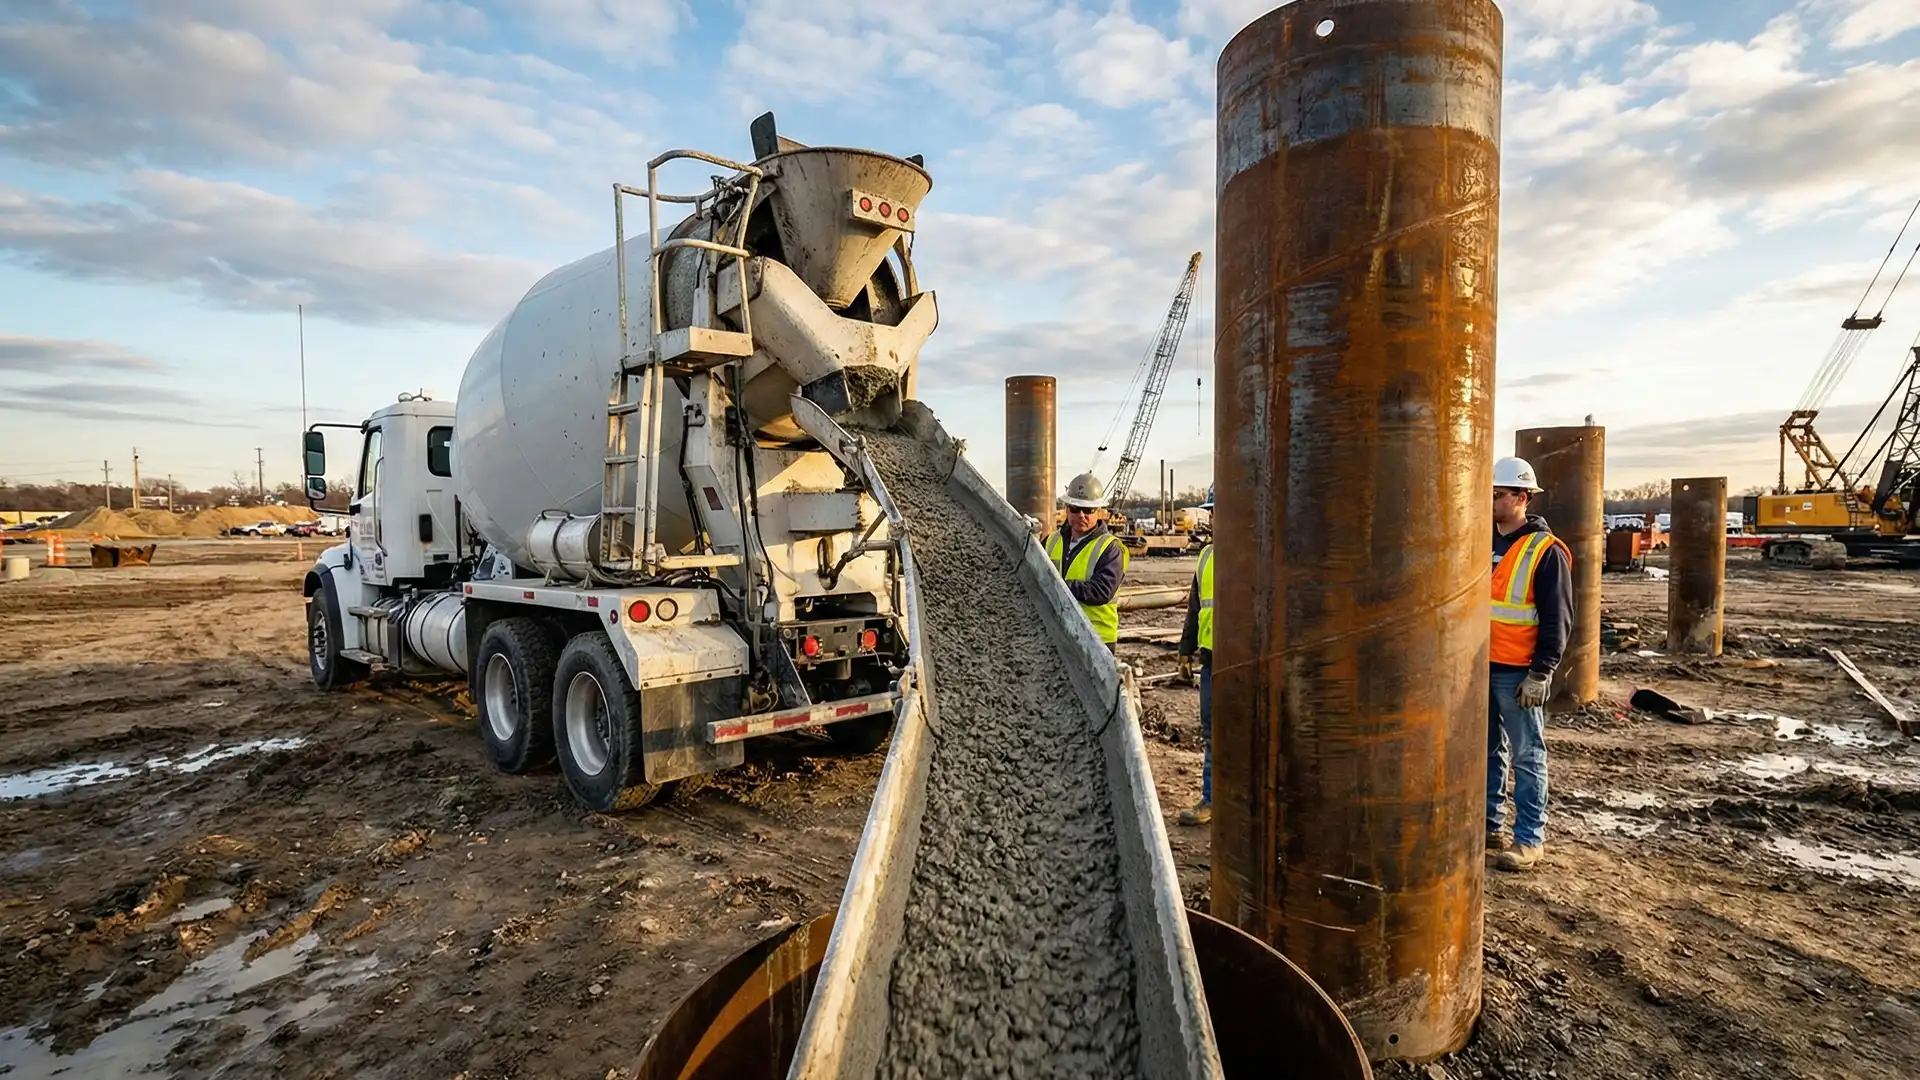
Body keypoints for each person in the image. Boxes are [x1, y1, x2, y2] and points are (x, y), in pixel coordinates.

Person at [1487, 456, 1572, 872]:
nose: (1491, 502)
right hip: (1479, 666)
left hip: (1518, 672)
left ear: (1522, 497)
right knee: (1486, 752)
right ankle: (1489, 827)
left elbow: (1559, 618)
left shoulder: (1545, 551)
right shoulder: (1481, 541)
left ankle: (1529, 840)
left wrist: (1541, 673)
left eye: (1498, 494)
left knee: (1527, 755)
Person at [1046, 472, 1129, 652]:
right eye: (1075, 508)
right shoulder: (1051, 541)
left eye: (1088, 510)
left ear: (1098, 512)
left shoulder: (1110, 548)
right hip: (1058, 633)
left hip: (1097, 639)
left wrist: (1059, 586)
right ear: (1066, 509)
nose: (1081, 515)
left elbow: (1101, 591)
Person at [1176, 486, 1215, 826]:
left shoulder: (1257, 551)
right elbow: (1195, 606)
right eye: (1213, 512)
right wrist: (1185, 651)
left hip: (1249, 661)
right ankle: (1211, 798)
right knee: (1212, 731)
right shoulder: (1206, 556)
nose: (1216, 519)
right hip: (1212, 659)